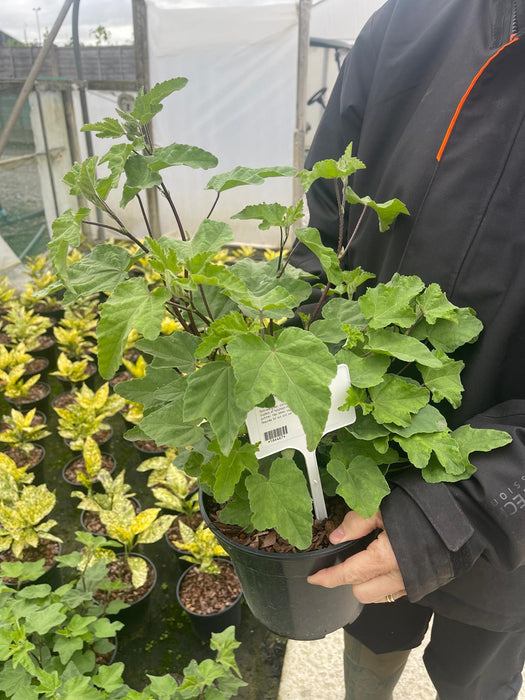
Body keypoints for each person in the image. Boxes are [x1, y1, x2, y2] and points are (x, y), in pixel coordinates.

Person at [301, 1, 525, 698]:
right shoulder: (411, 19)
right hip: (362, 478)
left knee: (477, 677)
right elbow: (326, 222)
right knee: (366, 635)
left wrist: (475, 506)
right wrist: (290, 366)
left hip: (507, 534)